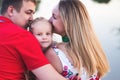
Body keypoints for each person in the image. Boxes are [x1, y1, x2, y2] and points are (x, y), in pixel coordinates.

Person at [0, 0, 67, 80]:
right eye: (28, 12)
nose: (32, 18)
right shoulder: (21, 35)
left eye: (33, 13)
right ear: (11, 10)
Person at [46, 0, 110, 80]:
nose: (49, 20)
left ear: (67, 23)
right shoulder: (93, 52)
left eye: (54, 17)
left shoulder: (54, 54)